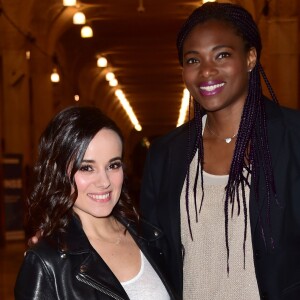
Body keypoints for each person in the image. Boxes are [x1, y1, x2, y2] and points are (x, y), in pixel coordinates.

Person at [140, 2, 300, 300]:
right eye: (192, 60)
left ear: (250, 57)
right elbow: (150, 251)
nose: (206, 71)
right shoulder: (166, 154)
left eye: (222, 54)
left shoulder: (292, 138)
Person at [14, 106, 176, 300]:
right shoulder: (46, 263)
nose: (105, 181)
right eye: (87, 168)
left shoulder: (152, 238)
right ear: (58, 173)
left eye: (113, 165)